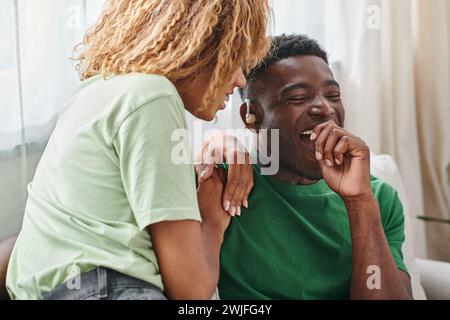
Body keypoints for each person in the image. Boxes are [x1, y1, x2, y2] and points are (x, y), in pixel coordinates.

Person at [2, 0, 269, 300]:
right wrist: (212, 218)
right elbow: (191, 291)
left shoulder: (101, 91)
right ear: (201, 44)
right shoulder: (154, 96)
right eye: (233, 58)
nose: (240, 79)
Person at [215, 34, 413, 299]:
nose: (324, 108)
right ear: (250, 116)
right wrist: (215, 141)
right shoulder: (224, 185)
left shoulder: (377, 198)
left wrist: (359, 203)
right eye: (297, 98)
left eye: (333, 95)